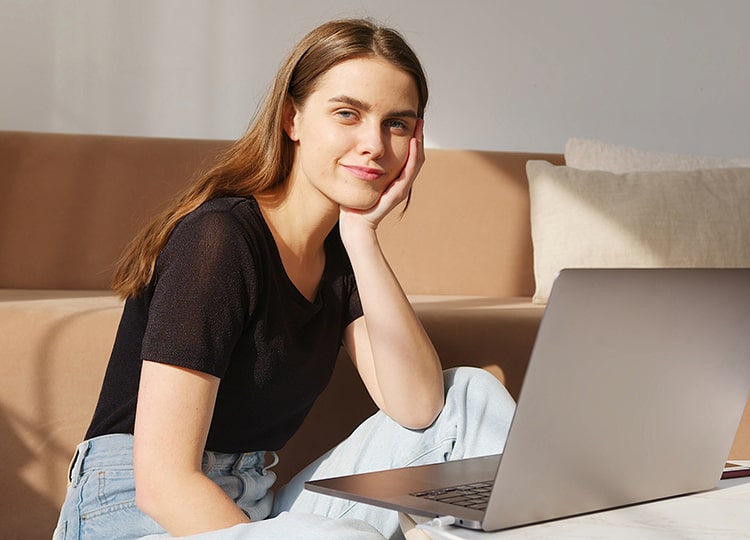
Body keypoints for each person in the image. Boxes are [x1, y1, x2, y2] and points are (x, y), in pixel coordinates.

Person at [52, 18, 515, 540]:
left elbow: (420, 409)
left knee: (470, 398)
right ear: (293, 119)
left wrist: (362, 236)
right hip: (136, 515)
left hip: (253, 505)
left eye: (397, 124)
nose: (374, 145)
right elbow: (162, 482)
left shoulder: (339, 253)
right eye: (348, 114)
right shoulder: (219, 240)